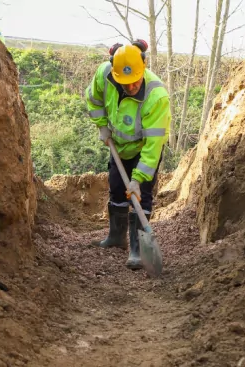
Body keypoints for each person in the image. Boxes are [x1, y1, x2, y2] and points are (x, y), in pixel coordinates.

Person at [85, 39, 170, 270]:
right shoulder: (105, 74)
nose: (131, 87)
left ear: (143, 70)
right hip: (119, 145)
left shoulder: (157, 96)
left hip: (144, 149)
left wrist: (137, 179)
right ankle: (116, 237)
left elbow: (153, 146)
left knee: (141, 195)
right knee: (116, 187)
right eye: (126, 84)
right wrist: (102, 125)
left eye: (135, 82)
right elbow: (93, 99)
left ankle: (138, 248)